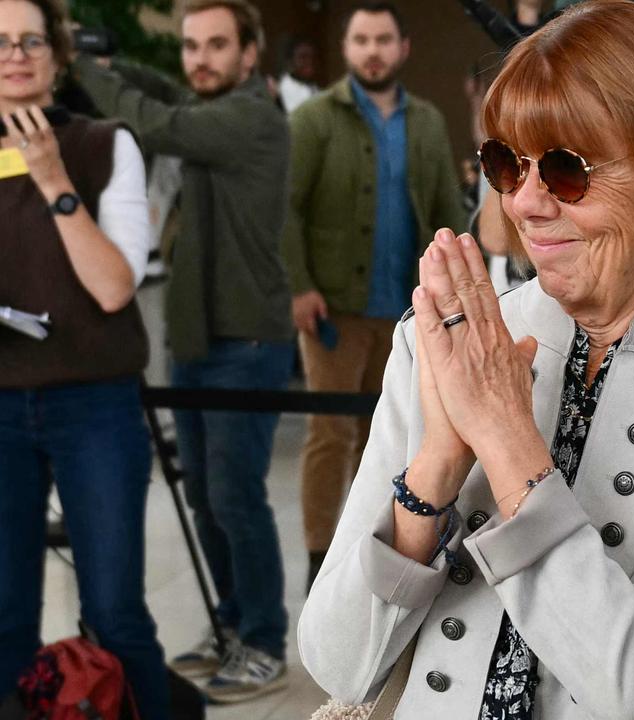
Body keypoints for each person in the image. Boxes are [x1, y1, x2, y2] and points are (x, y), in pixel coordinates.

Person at [297, 4, 634, 719]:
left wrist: (506, 440)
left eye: (565, 171)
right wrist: (436, 466)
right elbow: (336, 662)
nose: (524, 202)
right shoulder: (445, 337)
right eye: (504, 163)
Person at [73, 0, 294, 703]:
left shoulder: (250, 117)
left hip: (246, 341)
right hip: (195, 338)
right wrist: (112, 62)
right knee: (204, 497)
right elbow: (166, 92)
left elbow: (159, 120)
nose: (199, 57)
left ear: (249, 55)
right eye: (191, 45)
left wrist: (80, 66)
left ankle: (264, 640)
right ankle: (232, 624)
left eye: (217, 45)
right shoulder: (210, 106)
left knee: (236, 497)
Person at [0, 0, 168, 716]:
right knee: (4, 616)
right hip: (0, 405)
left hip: (94, 406)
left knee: (114, 610)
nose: (16, 52)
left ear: (59, 54)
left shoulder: (105, 143)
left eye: (32, 39)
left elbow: (111, 288)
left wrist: (53, 182)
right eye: (0, 41)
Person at [283, 0, 469, 594]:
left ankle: (372, 558)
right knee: (329, 437)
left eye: (383, 39)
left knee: (388, 441)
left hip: (406, 315)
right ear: (347, 47)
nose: (372, 50)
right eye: (361, 39)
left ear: (403, 47)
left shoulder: (430, 122)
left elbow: (445, 211)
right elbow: (285, 211)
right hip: (333, 309)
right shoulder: (313, 119)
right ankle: (319, 563)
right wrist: (300, 287)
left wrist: (449, 299)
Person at [278, 36, 318, 113]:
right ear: (290, 61)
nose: (309, 62)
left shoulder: (314, 88)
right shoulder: (284, 89)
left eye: (311, 57)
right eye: (303, 57)